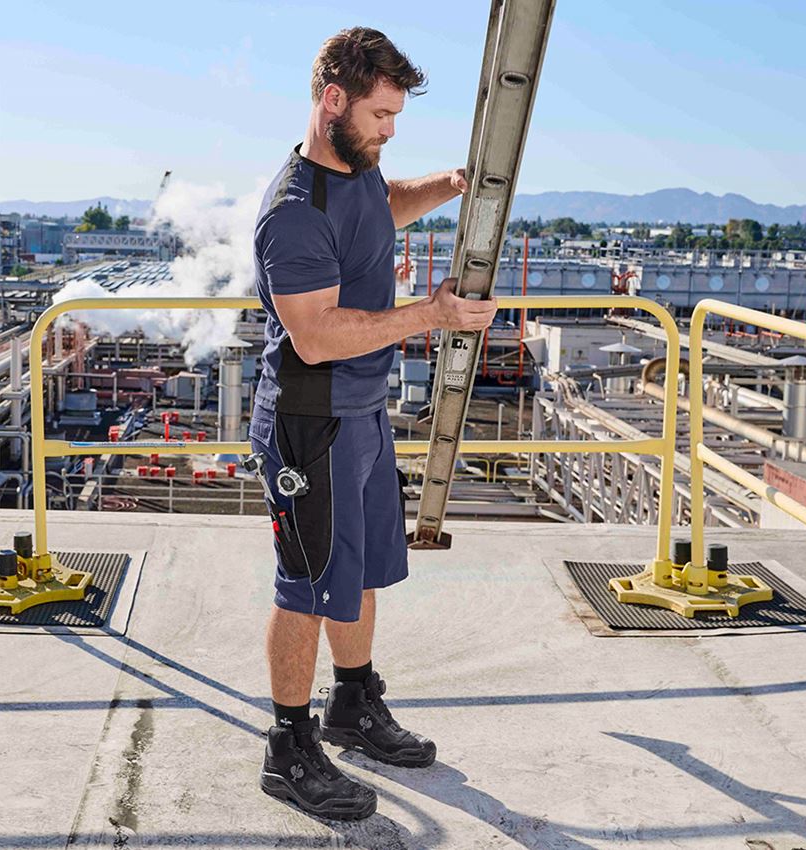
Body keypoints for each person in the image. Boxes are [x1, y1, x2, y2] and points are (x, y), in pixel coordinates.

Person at [249, 26, 498, 820]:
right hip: (308, 422)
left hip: (361, 412)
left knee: (355, 575)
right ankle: (288, 748)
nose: (390, 130)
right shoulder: (291, 213)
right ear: (333, 103)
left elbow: (385, 205)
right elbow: (316, 336)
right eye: (381, 115)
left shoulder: (359, 171)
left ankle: (352, 703)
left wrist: (453, 184)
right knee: (307, 587)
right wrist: (431, 314)